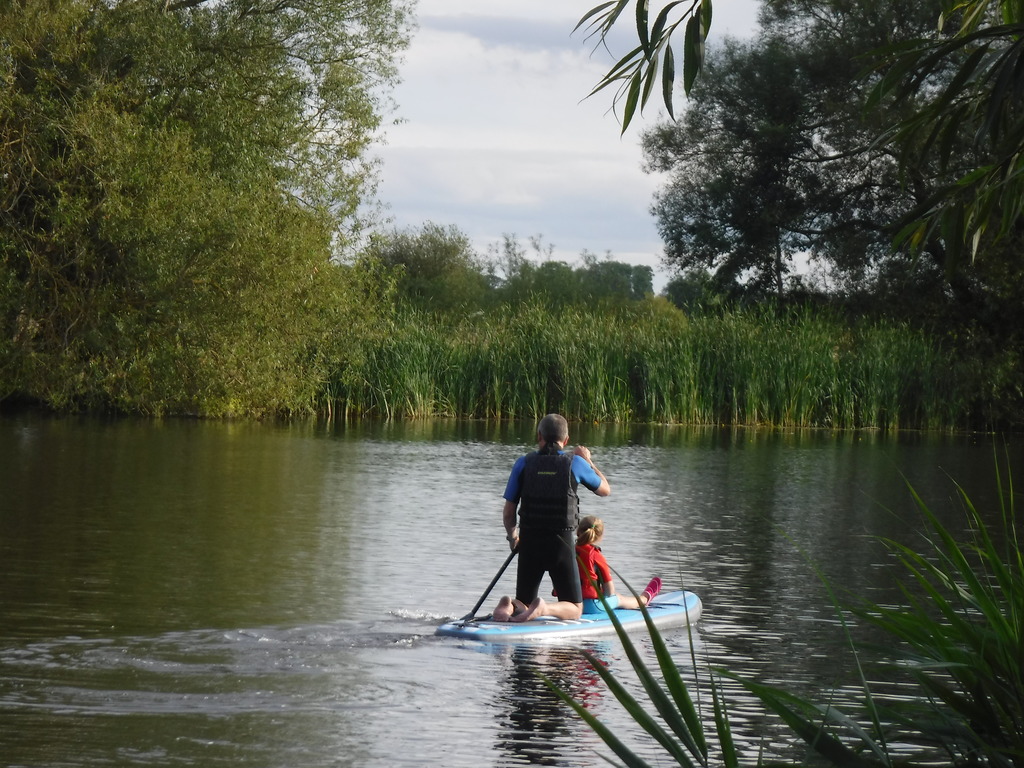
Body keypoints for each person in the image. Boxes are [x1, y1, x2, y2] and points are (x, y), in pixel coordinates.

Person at [492, 413, 610, 622]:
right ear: (566, 440)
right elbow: (605, 490)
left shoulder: (523, 463)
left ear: (539, 436)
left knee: (524, 601)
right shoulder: (575, 463)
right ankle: (544, 609)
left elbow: (509, 512)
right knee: (575, 608)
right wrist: (588, 461)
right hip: (561, 544)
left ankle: (511, 606)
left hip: (529, 542)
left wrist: (513, 537)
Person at [575, 515, 661, 613]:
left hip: (570, 605)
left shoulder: (567, 551)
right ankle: (644, 599)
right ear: (599, 536)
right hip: (590, 607)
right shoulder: (595, 555)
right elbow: (610, 591)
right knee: (619, 598)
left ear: (578, 531)